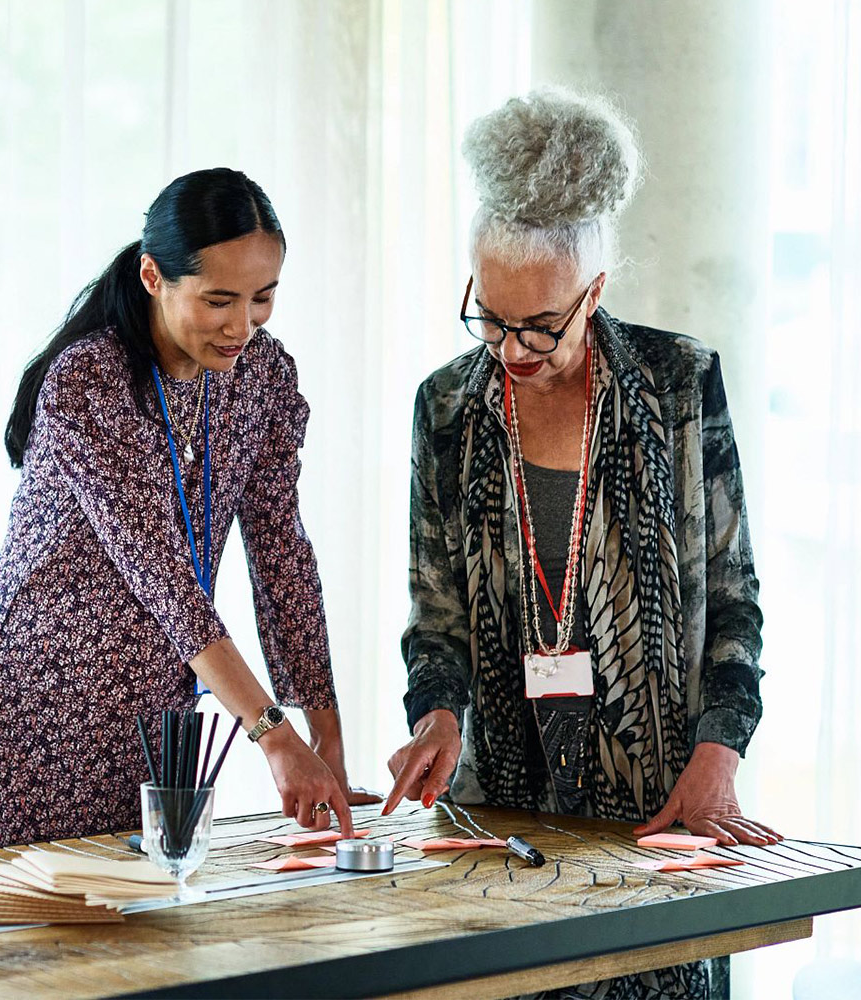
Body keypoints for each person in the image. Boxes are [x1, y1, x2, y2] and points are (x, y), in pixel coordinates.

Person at [383, 89, 780, 999]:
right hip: (501, 817)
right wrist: (435, 716)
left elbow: (734, 598)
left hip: (658, 807)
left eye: (540, 325)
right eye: (488, 316)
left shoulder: (679, 386)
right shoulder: (446, 408)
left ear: (594, 293)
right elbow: (435, 611)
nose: (510, 349)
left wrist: (720, 755)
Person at [0, 168, 378, 855]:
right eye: (219, 299)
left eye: (263, 297)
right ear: (152, 277)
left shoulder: (263, 379)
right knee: (10, 952)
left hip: (146, 729)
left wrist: (328, 743)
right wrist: (274, 737)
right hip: (22, 715)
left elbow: (283, 559)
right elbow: (164, 577)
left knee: (139, 953)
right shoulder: (89, 383)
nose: (242, 326)